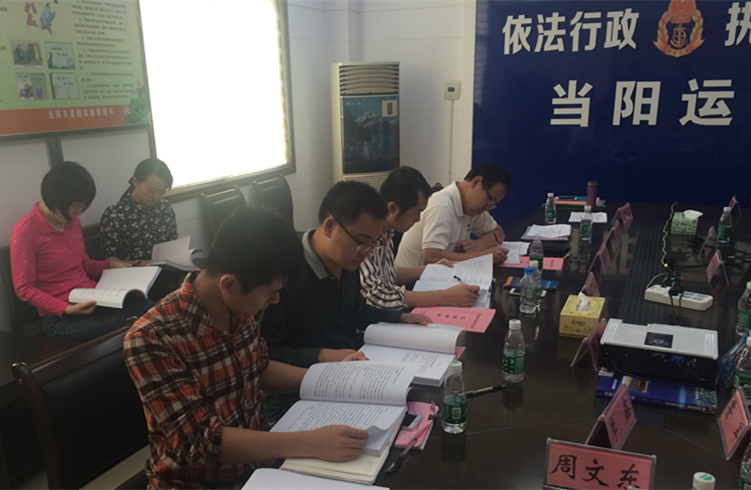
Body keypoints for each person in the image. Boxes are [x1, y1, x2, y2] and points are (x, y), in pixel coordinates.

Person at [124, 206, 369, 490]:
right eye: (271, 292)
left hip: (259, 468)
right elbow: (203, 440)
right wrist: (310, 442)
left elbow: (259, 369)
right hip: (197, 483)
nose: (276, 300)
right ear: (229, 285)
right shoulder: (152, 337)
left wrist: (331, 379)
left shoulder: (239, 308)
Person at [261, 181, 431, 420]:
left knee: (417, 403)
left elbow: (356, 310)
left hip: (348, 375)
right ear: (330, 226)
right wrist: (322, 355)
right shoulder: (284, 275)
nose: (366, 252)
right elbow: (266, 356)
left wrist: (400, 316)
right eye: (361, 241)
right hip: (297, 395)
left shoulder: (347, 261)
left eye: (373, 243)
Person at [10, 161, 153, 341]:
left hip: (92, 300)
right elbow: (24, 288)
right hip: (60, 318)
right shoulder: (26, 230)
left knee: (149, 306)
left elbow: (83, 264)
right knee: (144, 317)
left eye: (83, 206)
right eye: (76, 205)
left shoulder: (72, 221)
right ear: (57, 198)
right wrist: (66, 308)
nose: (79, 212)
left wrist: (111, 265)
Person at [359, 166, 481, 310]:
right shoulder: (366, 236)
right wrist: (446, 296)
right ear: (392, 208)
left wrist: (432, 269)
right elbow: (376, 296)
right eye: (416, 212)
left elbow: (389, 274)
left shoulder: (387, 232)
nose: (418, 219)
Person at [395, 163, 512, 267]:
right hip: (413, 280)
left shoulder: (473, 208)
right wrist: (483, 257)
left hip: (442, 275)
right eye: (490, 199)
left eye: (493, 204)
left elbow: (498, 232)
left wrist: (479, 245)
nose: (488, 207)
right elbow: (431, 257)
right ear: (476, 182)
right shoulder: (442, 206)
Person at [100, 158, 178, 261]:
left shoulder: (165, 208)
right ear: (135, 181)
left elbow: (173, 242)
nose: (156, 197)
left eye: (162, 192)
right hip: (132, 269)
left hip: (165, 266)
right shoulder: (115, 215)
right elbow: (109, 259)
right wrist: (133, 264)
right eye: (152, 190)